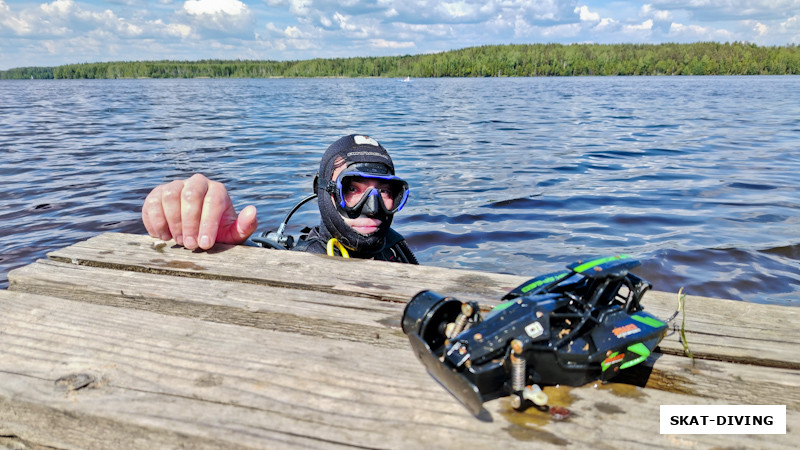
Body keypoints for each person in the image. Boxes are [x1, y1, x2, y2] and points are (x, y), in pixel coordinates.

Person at [142, 134, 417, 264]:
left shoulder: (396, 249)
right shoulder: (295, 262)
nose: (372, 208)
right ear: (324, 191)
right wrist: (226, 248)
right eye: (352, 189)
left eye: (384, 192)